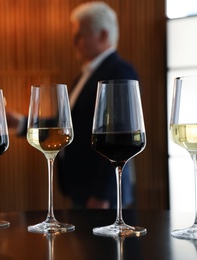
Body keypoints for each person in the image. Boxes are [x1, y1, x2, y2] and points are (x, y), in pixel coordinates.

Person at [7, 2, 139, 209]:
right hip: (81, 191)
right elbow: (69, 126)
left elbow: (118, 140)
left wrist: (102, 196)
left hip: (104, 199)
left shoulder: (119, 72)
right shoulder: (84, 77)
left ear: (103, 35)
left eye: (80, 36)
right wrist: (22, 123)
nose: (74, 42)